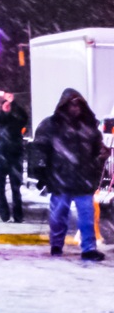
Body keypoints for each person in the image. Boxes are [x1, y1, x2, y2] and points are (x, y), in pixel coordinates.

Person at [31, 88, 106, 260]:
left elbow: (96, 150)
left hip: (82, 179)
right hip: (61, 179)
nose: (75, 108)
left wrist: (100, 158)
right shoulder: (50, 125)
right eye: (72, 104)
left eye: (78, 104)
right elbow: (39, 150)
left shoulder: (88, 126)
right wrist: (41, 173)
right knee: (58, 216)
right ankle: (57, 244)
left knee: (87, 217)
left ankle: (88, 249)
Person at [0, 90, 28, 224]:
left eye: (9, 106)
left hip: (14, 158)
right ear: (1, 107)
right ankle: (4, 214)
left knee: (16, 189)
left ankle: (18, 215)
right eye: (5, 105)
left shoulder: (17, 121)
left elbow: (24, 116)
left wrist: (13, 102)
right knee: (0, 189)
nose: (7, 107)